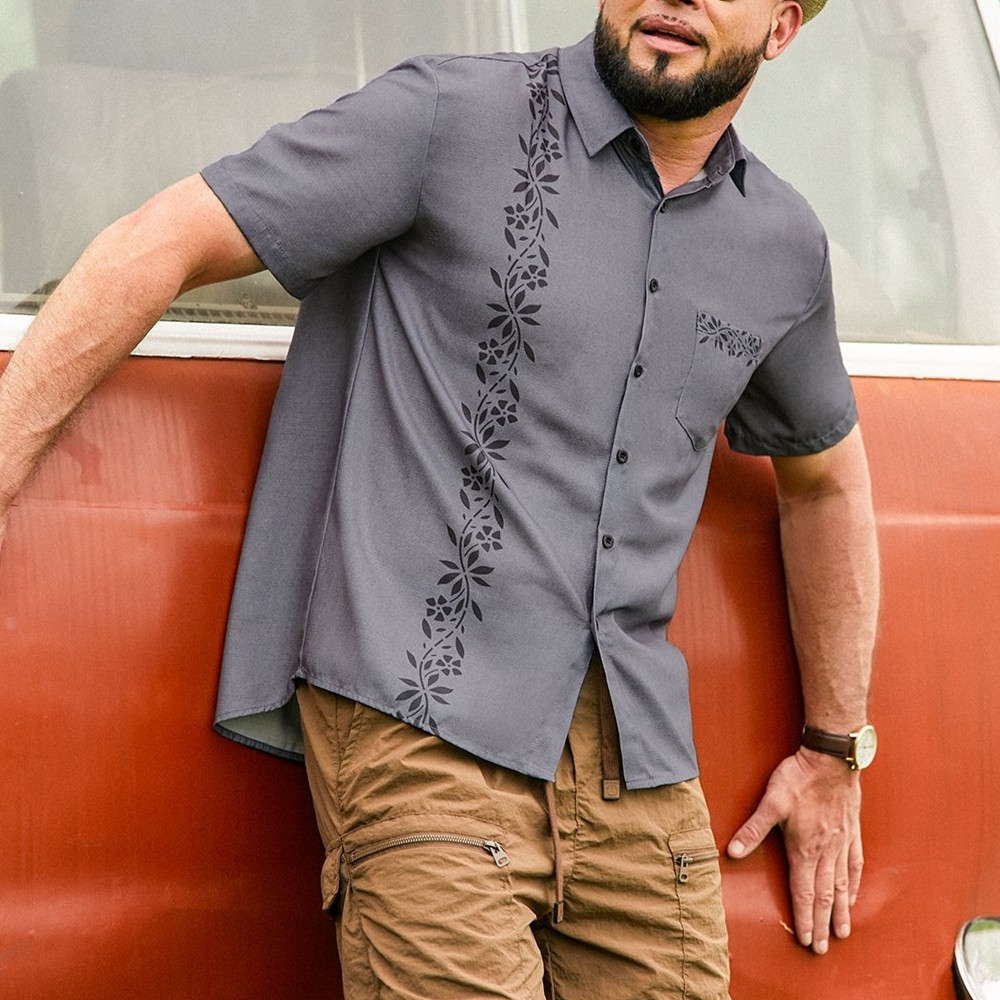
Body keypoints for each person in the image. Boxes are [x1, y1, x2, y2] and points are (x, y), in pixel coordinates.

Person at [0, 0, 880, 996]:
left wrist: (833, 749)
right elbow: (161, 238)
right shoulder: (444, 117)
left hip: (637, 772)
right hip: (420, 726)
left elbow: (825, 483)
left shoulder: (781, 245)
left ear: (782, 28)